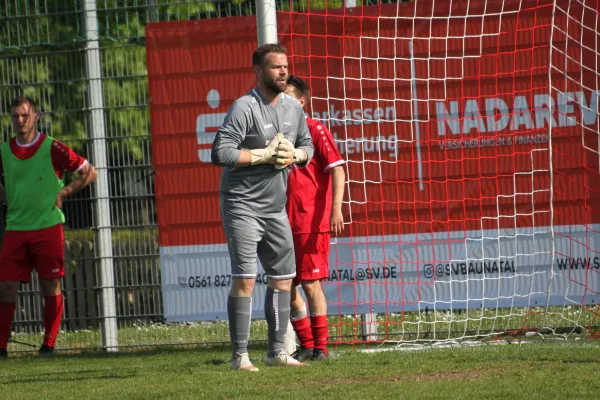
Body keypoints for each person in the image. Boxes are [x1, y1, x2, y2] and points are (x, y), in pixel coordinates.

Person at [211, 43, 314, 371]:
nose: (283, 72)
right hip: (242, 206)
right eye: (275, 67)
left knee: (283, 278)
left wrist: (294, 155)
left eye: (285, 66)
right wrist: (263, 155)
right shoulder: (244, 107)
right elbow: (221, 153)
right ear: (258, 71)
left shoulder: (293, 108)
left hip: (275, 208)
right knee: (245, 278)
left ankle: (276, 353)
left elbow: (307, 145)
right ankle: (239, 356)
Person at [0, 96, 97, 358]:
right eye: (15, 116)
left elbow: (90, 172)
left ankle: (48, 346)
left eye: (24, 115)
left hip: (48, 227)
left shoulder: (53, 148)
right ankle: (1, 348)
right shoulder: (4, 150)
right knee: (6, 286)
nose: (20, 120)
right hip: (15, 229)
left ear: (36, 117)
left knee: (49, 286)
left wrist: (64, 192)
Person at [284, 75, 346, 361]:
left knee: (310, 283)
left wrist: (335, 209)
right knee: (286, 284)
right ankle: (307, 345)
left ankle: (320, 348)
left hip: (310, 222)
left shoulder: (314, 128)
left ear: (301, 101)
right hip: (282, 222)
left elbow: (337, 169)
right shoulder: (276, 134)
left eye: (287, 97)